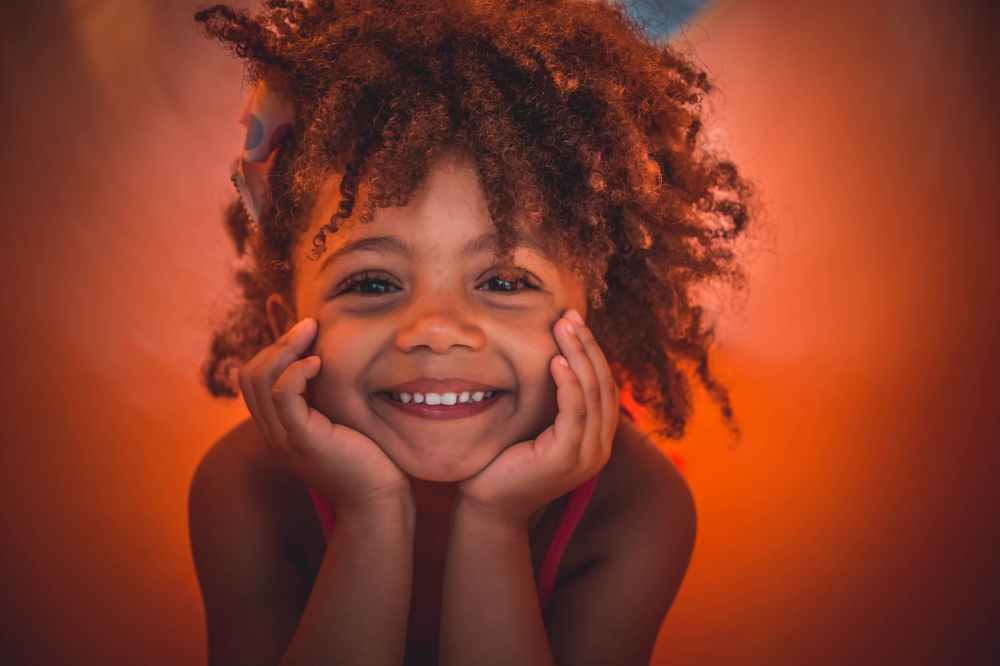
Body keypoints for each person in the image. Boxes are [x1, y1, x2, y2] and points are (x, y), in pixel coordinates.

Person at [187, 1, 753, 664]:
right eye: (373, 284)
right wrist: (370, 517)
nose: (436, 330)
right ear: (289, 332)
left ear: (592, 321)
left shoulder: (636, 506)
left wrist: (493, 526)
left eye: (505, 282)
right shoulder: (245, 488)